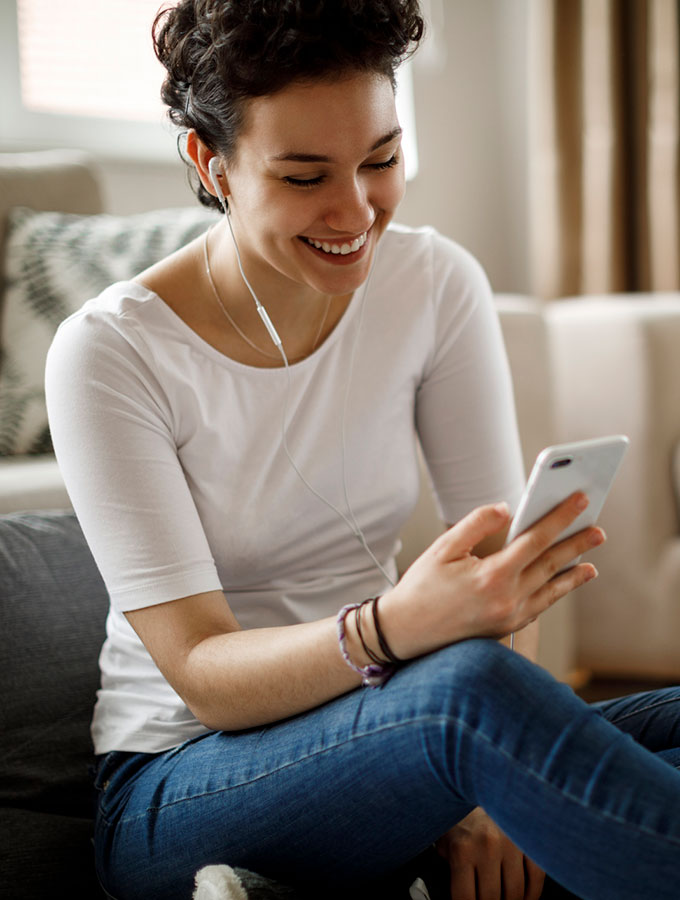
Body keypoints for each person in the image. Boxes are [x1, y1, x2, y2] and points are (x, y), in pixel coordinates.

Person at [44, 2, 680, 899]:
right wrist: (394, 630)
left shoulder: (433, 282)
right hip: (181, 780)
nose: (356, 211)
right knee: (469, 693)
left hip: (398, 730)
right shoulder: (112, 351)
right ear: (209, 162)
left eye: (381, 160)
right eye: (305, 177)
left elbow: (500, 560)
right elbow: (204, 676)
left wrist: (488, 797)